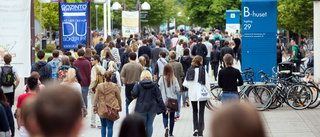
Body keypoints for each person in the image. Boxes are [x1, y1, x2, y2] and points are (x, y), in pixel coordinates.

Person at [131, 70, 167, 137]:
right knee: (149, 124)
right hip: (152, 108)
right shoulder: (155, 85)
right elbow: (159, 98)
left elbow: (134, 94)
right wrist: (164, 108)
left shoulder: (138, 84)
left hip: (141, 108)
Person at [183, 56, 210, 137]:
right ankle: (200, 133)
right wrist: (209, 94)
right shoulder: (203, 70)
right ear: (200, 61)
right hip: (202, 94)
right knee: (201, 113)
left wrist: (192, 86)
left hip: (192, 94)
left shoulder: (189, 70)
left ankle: (195, 128)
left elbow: (185, 83)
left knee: (194, 111)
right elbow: (207, 83)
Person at [94, 71, 121, 137]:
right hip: (111, 109)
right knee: (110, 127)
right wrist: (120, 107)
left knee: (103, 125)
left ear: (104, 77)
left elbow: (96, 98)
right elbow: (119, 98)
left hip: (102, 108)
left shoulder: (99, 86)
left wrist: (95, 108)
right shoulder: (115, 86)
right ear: (111, 77)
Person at [158, 64, 180, 137]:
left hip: (164, 101)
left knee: (164, 116)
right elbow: (178, 89)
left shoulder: (161, 79)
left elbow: (158, 89)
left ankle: (166, 127)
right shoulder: (174, 79)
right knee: (172, 117)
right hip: (172, 101)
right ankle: (171, 133)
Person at [89, 55, 106, 128]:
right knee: (100, 105)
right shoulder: (103, 68)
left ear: (96, 60)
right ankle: (100, 122)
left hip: (95, 89)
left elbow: (93, 80)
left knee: (94, 105)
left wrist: (90, 88)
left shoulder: (94, 68)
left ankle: (93, 122)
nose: (91, 61)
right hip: (102, 89)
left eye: (92, 60)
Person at [168, 51, 184, 120]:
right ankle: (177, 113)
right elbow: (182, 74)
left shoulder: (168, 64)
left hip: (170, 84)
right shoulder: (179, 64)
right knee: (178, 99)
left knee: (172, 99)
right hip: (178, 83)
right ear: (175, 57)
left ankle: (173, 113)